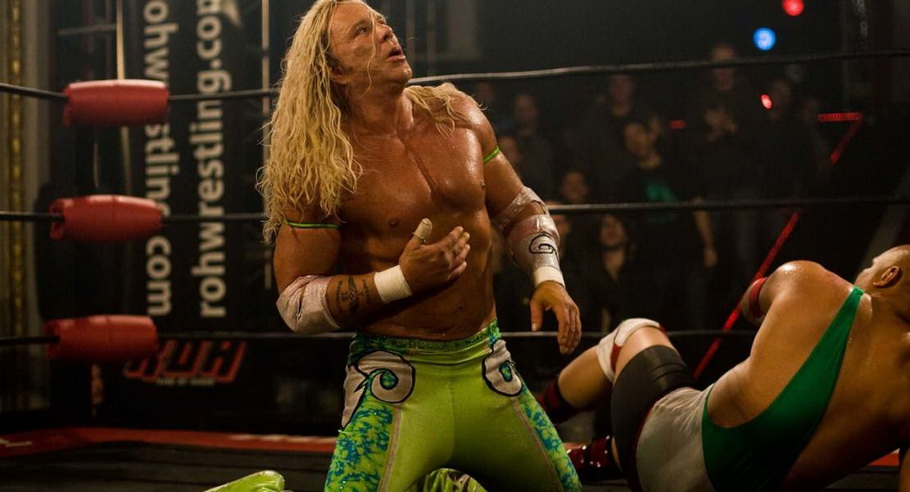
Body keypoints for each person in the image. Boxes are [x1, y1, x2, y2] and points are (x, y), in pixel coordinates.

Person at [256, 1, 582, 490]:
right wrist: (400, 281)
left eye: (381, 22)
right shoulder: (322, 163)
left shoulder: (459, 114)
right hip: (395, 380)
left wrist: (548, 277)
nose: (386, 32)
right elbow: (296, 302)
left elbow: (520, 209)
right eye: (361, 31)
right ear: (335, 70)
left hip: (487, 365)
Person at [539, 245, 910, 491]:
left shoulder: (810, 280)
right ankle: (580, 460)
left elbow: (750, 305)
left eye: (871, 266)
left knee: (633, 331)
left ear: (888, 276)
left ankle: (530, 420)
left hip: (663, 453)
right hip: (687, 462)